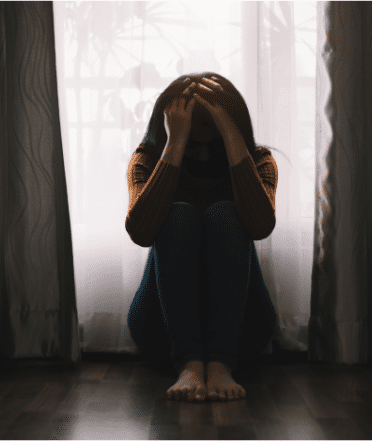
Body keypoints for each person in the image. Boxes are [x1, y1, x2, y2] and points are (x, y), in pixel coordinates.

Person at [125, 72, 278, 402]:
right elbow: (141, 232)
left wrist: (232, 135)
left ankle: (221, 361)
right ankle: (189, 362)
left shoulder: (260, 160)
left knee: (225, 214)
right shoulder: (147, 160)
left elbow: (260, 227)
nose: (204, 155)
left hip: (243, 333)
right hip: (161, 331)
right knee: (178, 215)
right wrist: (174, 145)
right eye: (193, 143)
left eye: (214, 140)